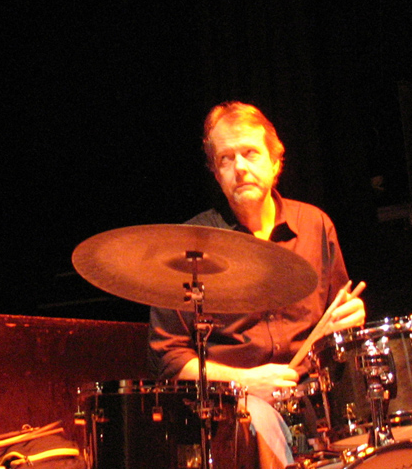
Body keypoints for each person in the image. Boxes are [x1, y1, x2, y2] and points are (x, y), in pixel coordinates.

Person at [149, 102, 366, 469]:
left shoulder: (315, 226)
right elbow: (169, 360)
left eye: (250, 153)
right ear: (216, 174)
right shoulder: (190, 246)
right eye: (226, 159)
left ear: (275, 161)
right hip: (232, 411)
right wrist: (244, 384)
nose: (240, 168)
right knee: (261, 418)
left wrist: (350, 320)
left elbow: (337, 322)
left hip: (316, 399)